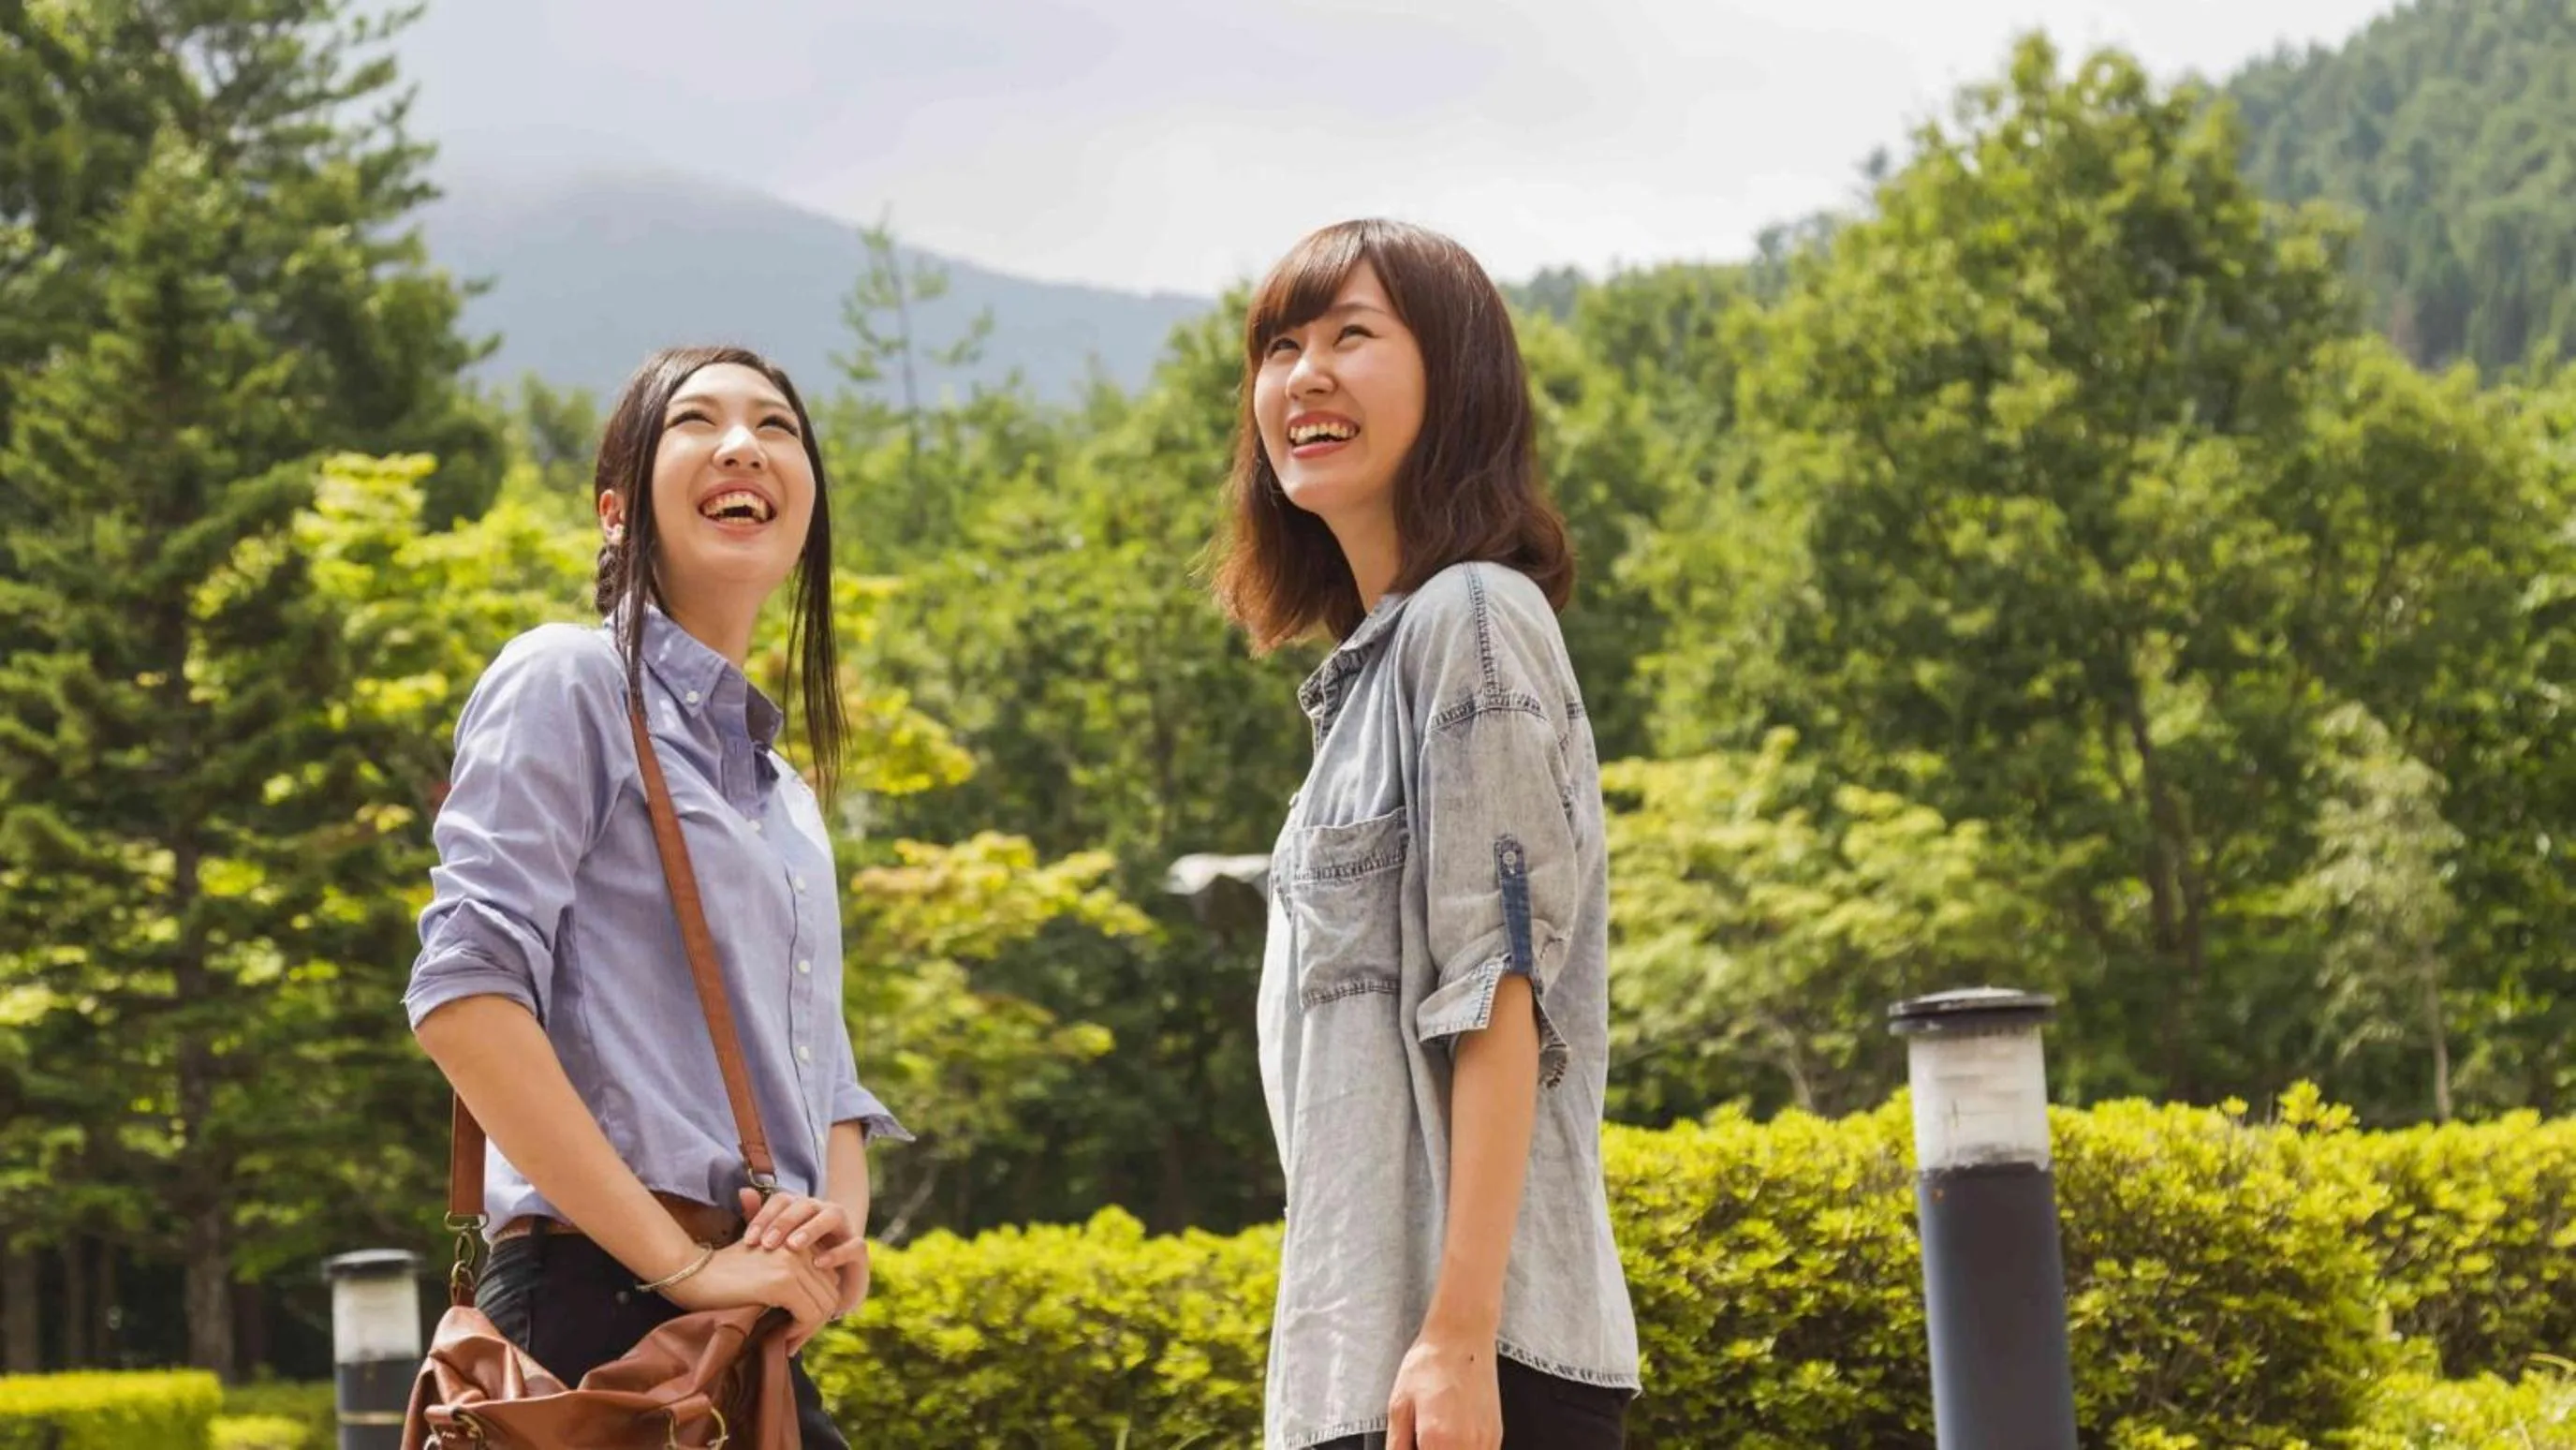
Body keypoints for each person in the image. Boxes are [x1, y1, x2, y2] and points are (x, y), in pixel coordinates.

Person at [405, 345, 906, 1448]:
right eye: (697, 421)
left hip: (743, 1328)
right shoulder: (567, 680)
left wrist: (831, 1237)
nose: (744, 446)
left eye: (777, 427)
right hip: (596, 1322)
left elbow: (827, 1079)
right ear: (617, 511)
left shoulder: (784, 797)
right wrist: (682, 1264)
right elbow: (464, 999)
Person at [1213, 218, 1643, 1450]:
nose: (1305, 376)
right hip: (1366, 1367)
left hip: (1470, 1368)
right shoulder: (1373, 675)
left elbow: (1497, 990)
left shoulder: (1472, 619)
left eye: (1352, 336)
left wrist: (1456, 1335)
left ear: (1454, 378)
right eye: (1280, 348)